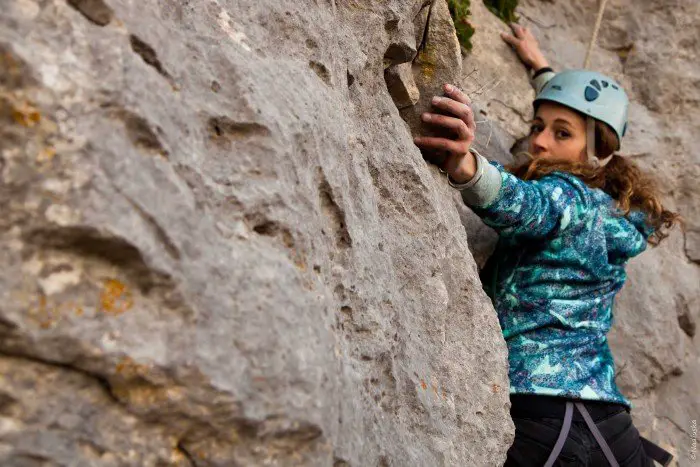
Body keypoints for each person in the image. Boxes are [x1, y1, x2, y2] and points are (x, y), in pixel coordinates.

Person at [414, 23, 680, 467]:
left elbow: (526, 203)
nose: (538, 139)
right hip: (610, 426)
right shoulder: (615, 211)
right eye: (537, 125)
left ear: (594, 152)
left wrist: (466, 164)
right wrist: (541, 68)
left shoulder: (567, 198)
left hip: (543, 422)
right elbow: (580, 124)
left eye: (560, 133)